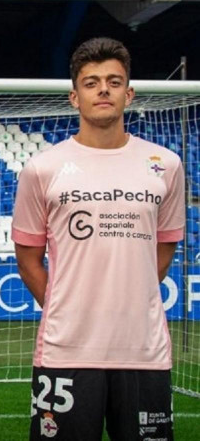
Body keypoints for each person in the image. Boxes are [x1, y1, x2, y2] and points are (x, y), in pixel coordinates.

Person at [12, 37, 184, 440]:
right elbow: (28, 259)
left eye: (113, 81)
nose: (103, 89)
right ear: (74, 96)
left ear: (130, 93)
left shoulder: (166, 165)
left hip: (143, 351)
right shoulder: (43, 168)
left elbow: (164, 246)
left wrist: (131, 294)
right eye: (91, 83)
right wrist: (65, 307)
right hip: (67, 349)